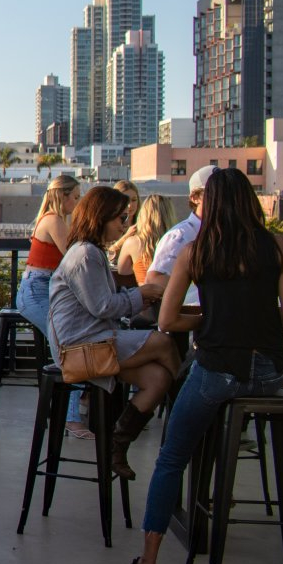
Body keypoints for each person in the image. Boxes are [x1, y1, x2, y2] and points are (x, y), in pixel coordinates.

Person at [130, 167, 283, 564]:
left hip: (217, 372)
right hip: (269, 374)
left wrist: (211, 320)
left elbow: (167, 321)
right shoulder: (279, 246)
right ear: (249, 201)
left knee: (172, 457)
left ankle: (149, 562)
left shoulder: (195, 252)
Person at [48, 187, 179, 481]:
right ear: (101, 217)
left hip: (90, 342)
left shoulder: (88, 252)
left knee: (157, 379)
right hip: (79, 348)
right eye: (121, 217)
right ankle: (187, 421)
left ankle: (117, 445)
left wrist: (137, 298)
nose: (125, 224)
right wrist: (141, 295)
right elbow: (103, 306)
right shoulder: (86, 254)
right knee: (164, 342)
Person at [18, 174, 88, 435]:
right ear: (63, 196)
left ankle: (76, 405)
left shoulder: (53, 220)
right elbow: (75, 257)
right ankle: (70, 417)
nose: (77, 203)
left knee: (76, 340)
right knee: (72, 344)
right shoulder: (54, 220)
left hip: (42, 290)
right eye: (76, 197)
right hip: (37, 292)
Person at [144, 165, 218, 301]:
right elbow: (154, 279)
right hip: (191, 312)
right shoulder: (180, 235)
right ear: (195, 197)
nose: (222, 197)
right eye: (214, 192)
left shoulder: (226, 232)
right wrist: (195, 291)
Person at [116, 195, 176, 288]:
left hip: (147, 294)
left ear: (143, 214)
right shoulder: (178, 240)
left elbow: (123, 270)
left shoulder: (133, 242)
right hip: (176, 294)